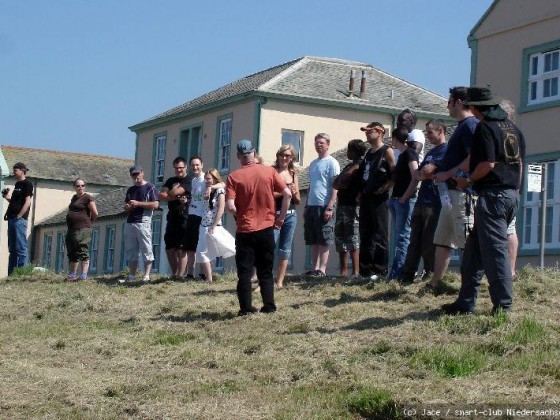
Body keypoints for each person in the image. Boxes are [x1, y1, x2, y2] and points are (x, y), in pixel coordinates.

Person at [442, 86, 525, 315]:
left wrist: (467, 181)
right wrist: (516, 190)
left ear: (477, 108)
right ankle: (465, 302)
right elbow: (520, 165)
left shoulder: (486, 128)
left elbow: (487, 164)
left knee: (495, 252)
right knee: (473, 252)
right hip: (510, 194)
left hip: (493, 196)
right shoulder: (514, 129)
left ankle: (503, 307)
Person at [226, 140, 291, 316]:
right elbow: (287, 193)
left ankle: (246, 308)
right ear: (254, 153)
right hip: (266, 227)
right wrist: (281, 218)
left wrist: (239, 217)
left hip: (245, 229)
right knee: (265, 270)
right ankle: (269, 306)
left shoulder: (233, 177)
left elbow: (230, 205)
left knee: (245, 272)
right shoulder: (269, 171)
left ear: (239, 156)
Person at [431, 87, 479, 289]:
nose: (447, 106)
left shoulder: (470, 125)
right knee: (442, 240)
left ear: (458, 102)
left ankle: (469, 285)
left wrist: (447, 174)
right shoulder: (461, 126)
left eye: (449, 101)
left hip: (462, 194)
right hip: (449, 195)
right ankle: (436, 283)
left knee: (466, 242)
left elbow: (473, 158)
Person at [398, 119, 448, 286]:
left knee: (428, 240)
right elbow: (419, 174)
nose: (428, 136)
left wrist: (425, 173)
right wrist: (424, 173)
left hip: (434, 202)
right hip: (421, 199)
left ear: (440, 131)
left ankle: (430, 272)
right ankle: (407, 274)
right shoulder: (430, 152)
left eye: (430, 133)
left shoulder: (445, 150)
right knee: (415, 240)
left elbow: (425, 171)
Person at [357, 122, 396, 280]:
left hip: (379, 198)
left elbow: (394, 171)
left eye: (370, 131)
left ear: (380, 132)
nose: (367, 134)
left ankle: (380, 270)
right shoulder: (369, 153)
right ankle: (365, 270)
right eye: (366, 132)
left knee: (380, 233)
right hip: (367, 196)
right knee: (365, 233)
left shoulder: (387, 151)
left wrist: (387, 186)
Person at [303, 133, 340, 276]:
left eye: (322, 143)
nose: (319, 145)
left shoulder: (332, 162)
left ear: (328, 145)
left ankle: (322, 269)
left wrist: (330, 206)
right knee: (313, 238)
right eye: (317, 142)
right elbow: (311, 186)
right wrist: (306, 206)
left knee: (324, 238)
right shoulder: (313, 164)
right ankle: (314, 268)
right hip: (312, 205)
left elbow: (335, 186)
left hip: (325, 205)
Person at [387, 127, 419, 280]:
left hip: (404, 201)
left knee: (403, 238)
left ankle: (400, 273)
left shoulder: (410, 153)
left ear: (395, 138)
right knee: (398, 238)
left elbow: (416, 176)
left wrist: (404, 198)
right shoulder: (401, 155)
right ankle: (394, 272)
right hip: (396, 200)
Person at [333, 139, 367, 277]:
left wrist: (342, 181)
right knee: (341, 238)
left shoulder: (359, 165)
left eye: (349, 150)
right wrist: (341, 182)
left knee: (353, 238)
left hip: (353, 207)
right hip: (342, 205)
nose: (347, 152)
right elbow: (336, 183)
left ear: (355, 151)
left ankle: (356, 271)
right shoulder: (348, 165)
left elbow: (344, 179)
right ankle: (343, 271)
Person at [122, 165, 159, 283]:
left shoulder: (150, 187)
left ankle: (147, 275)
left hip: (143, 221)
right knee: (132, 249)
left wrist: (138, 203)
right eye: (134, 174)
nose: (136, 176)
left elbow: (155, 204)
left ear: (142, 173)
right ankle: (132, 275)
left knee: (146, 247)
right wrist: (128, 207)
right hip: (130, 222)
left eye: (138, 173)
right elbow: (125, 208)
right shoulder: (130, 190)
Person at [272, 144, 301, 288]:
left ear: (292, 158)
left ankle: (279, 281)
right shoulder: (272, 172)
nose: (284, 158)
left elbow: (298, 200)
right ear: (277, 156)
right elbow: (268, 195)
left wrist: (294, 192)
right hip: (274, 215)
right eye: (282, 155)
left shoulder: (293, 174)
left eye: (287, 156)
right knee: (270, 246)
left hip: (290, 215)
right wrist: (284, 191)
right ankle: (264, 279)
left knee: (285, 248)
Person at [159, 156, 192, 279]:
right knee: (169, 248)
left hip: (184, 216)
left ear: (185, 167)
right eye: (176, 168)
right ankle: (175, 273)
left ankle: (180, 275)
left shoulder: (189, 180)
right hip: (172, 217)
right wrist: (175, 195)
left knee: (181, 249)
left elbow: (173, 192)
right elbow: (161, 195)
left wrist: (172, 192)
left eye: (181, 168)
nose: (179, 170)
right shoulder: (170, 180)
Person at [195, 169, 226, 283]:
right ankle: (207, 276)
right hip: (203, 223)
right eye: (205, 178)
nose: (206, 181)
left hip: (213, 225)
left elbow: (221, 209)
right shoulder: (205, 189)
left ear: (214, 178)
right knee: (204, 252)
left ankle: (209, 278)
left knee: (203, 252)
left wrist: (213, 226)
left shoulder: (220, 191)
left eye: (209, 178)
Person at [2, 162, 34, 275]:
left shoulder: (27, 184)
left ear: (22, 170)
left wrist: (20, 216)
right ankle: (11, 274)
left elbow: (27, 202)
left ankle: (21, 273)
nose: (14, 172)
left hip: (19, 220)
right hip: (12, 219)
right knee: (13, 249)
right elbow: (16, 202)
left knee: (21, 247)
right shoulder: (17, 185)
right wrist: (7, 198)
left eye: (15, 170)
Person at [500, 99, 520, 277]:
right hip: (511, 187)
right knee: (509, 229)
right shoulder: (515, 134)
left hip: (504, 187)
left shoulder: (505, 134)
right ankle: (510, 270)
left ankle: (509, 270)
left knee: (508, 229)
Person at [65, 178, 98, 281]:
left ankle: (84, 275)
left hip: (83, 228)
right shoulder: (74, 198)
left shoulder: (87, 198)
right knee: (72, 251)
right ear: (74, 187)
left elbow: (95, 213)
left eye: (82, 185)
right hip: (72, 228)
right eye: (78, 186)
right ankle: (72, 275)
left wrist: (88, 223)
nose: (80, 187)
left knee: (82, 249)